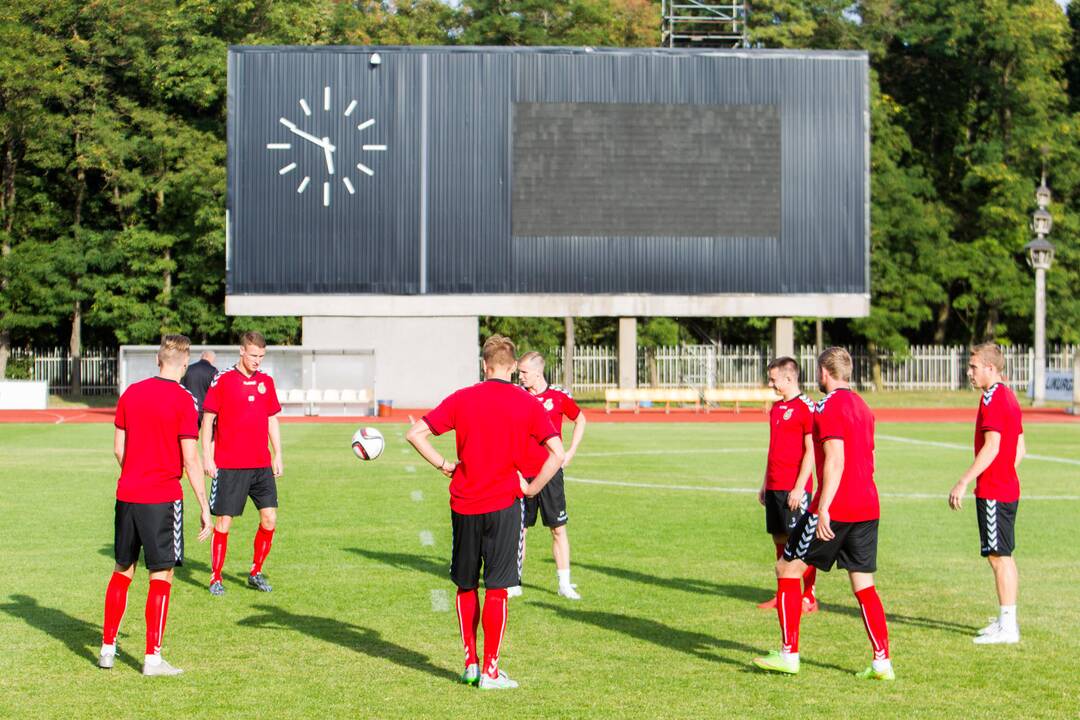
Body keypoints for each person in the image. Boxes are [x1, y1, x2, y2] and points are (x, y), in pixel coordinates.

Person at [405, 335, 564, 690]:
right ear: (511, 368)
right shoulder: (526, 402)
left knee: (465, 584)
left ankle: (471, 665)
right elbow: (557, 452)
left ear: (484, 365)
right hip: (505, 504)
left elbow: (415, 433)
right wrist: (532, 488)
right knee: (498, 587)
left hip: (464, 503)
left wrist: (445, 464)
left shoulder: (463, 397)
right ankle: (492, 670)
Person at [753, 347, 894, 681]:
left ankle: (788, 655)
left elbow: (834, 460)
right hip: (868, 506)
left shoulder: (828, 407)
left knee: (786, 568)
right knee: (864, 585)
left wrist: (825, 508)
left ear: (824, 372)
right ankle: (882, 663)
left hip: (836, 506)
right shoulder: (864, 406)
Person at [99, 334, 212, 676]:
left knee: (123, 569)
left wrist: (135, 473)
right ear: (182, 365)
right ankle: (152, 658)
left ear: (157, 360)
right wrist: (205, 506)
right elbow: (191, 460)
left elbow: (119, 449)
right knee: (161, 574)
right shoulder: (183, 399)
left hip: (127, 495)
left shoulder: (131, 393)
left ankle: (107, 649)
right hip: (161, 498)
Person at [948, 342, 1025, 644]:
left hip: (994, 490)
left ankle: (1008, 627)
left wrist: (964, 480)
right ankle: (1006, 620)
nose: (970, 372)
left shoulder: (994, 399)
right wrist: (1007, 471)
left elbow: (993, 446)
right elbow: (1020, 447)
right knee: (1001, 555)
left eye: (974, 367)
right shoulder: (1009, 395)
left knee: (998, 557)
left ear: (990, 368)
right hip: (1004, 486)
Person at [201, 331, 283, 596]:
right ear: (242, 351)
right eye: (253, 355)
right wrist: (207, 455)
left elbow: (272, 419)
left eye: (261, 356)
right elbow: (208, 419)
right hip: (230, 465)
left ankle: (256, 572)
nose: (257, 361)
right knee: (224, 522)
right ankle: (215, 577)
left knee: (270, 518)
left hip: (261, 465)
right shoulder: (223, 379)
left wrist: (278, 453)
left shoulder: (266, 382)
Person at [514, 351, 587, 600]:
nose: (520, 376)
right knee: (518, 530)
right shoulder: (517, 397)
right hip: (522, 474)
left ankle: (564, 584)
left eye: (524, 372)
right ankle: (513, 582)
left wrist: (571, 452)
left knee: (558, 529)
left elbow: (581, 419)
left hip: (550, 473)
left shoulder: (558, 397)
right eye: (519, 371)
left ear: (537, 372)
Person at [757, 356, 817, 612]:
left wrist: (799, 487)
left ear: (789, 378)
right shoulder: (776, 408)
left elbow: (811, 450)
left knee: (799, 541)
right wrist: (764, 483)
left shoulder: (807, 407)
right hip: (774, 484)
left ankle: (809, 596)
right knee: (779, 538)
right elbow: (774, 449)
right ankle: (783, 590)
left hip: (795, 487)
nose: (770, 384)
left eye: (773, 379)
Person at [181, 350, 218, 427]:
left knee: (189, 435)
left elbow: (181, 388)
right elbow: (217, 392)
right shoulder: (213, 371)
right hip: (206, 410)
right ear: (209, 357)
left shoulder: (188, 369)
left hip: (190, 408)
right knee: (210, 434)